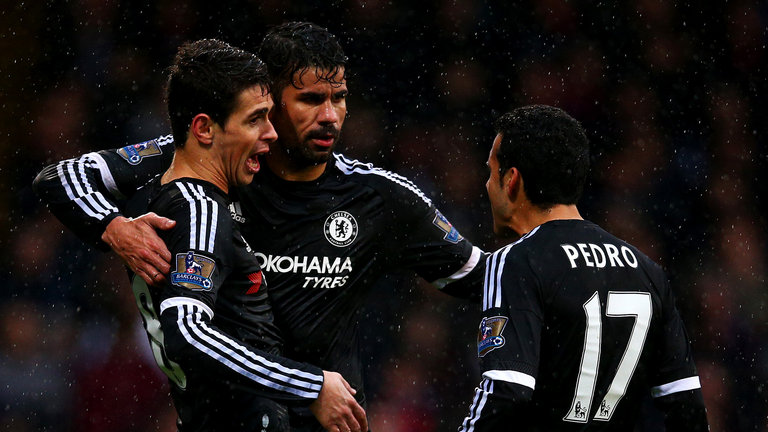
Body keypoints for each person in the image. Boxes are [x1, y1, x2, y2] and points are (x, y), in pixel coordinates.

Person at [33, 22, 484, 431]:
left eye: (339, 98)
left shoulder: (381, 197)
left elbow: (486, 278)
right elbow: (60, 178)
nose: (329, 116)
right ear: (269, 99)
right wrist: (114, 228)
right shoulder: (208, 162)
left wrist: (552, 241)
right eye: (310, 99)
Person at [47, 38, 367, 432]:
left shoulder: (167, 191)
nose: (271, 134)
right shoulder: (199, 210)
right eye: (255, 119)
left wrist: (112, 226)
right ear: (203, 128)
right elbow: (187, 330)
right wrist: (311, 385)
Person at [459, 105, 709, 431]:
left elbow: (506, 391)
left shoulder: (516, 261)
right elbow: (686, 404)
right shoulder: (646, 270)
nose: (487, 186)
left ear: (511, 180)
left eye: (491, 172)